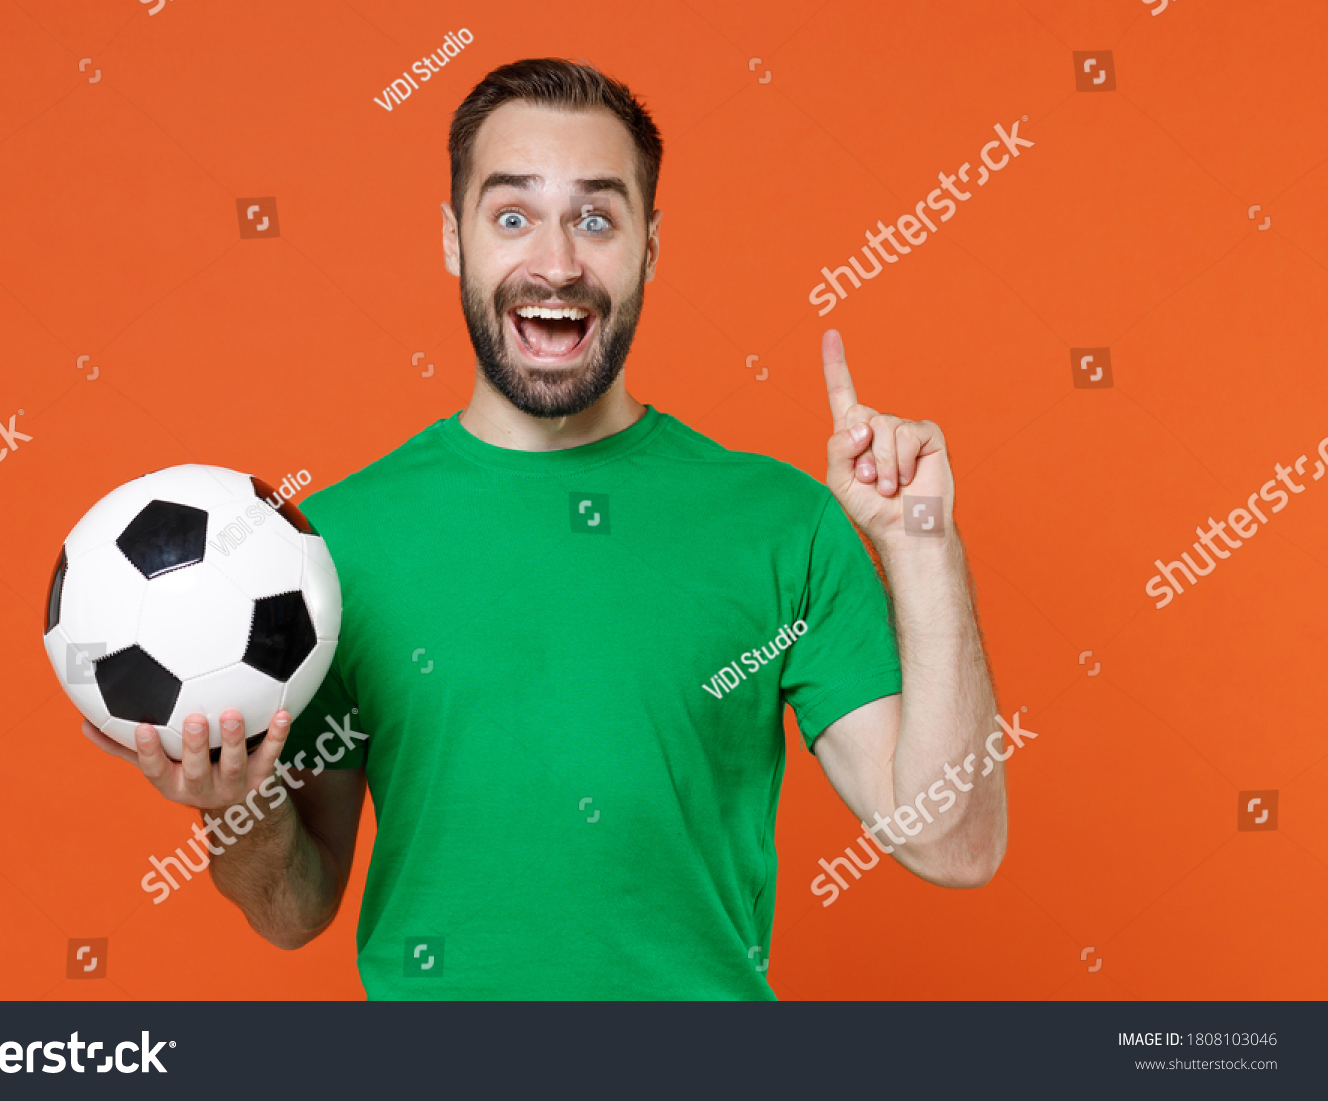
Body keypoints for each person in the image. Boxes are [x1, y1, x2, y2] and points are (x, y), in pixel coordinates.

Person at [82, 58, 1006, 999]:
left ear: (650, 245)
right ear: (454, 240)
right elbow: (293, 911)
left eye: (598, 217)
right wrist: (237, 809)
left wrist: (920, 544)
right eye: (513, 215)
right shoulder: (322, 555)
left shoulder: (780, 523)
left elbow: (955, 844)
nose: (558, 262)